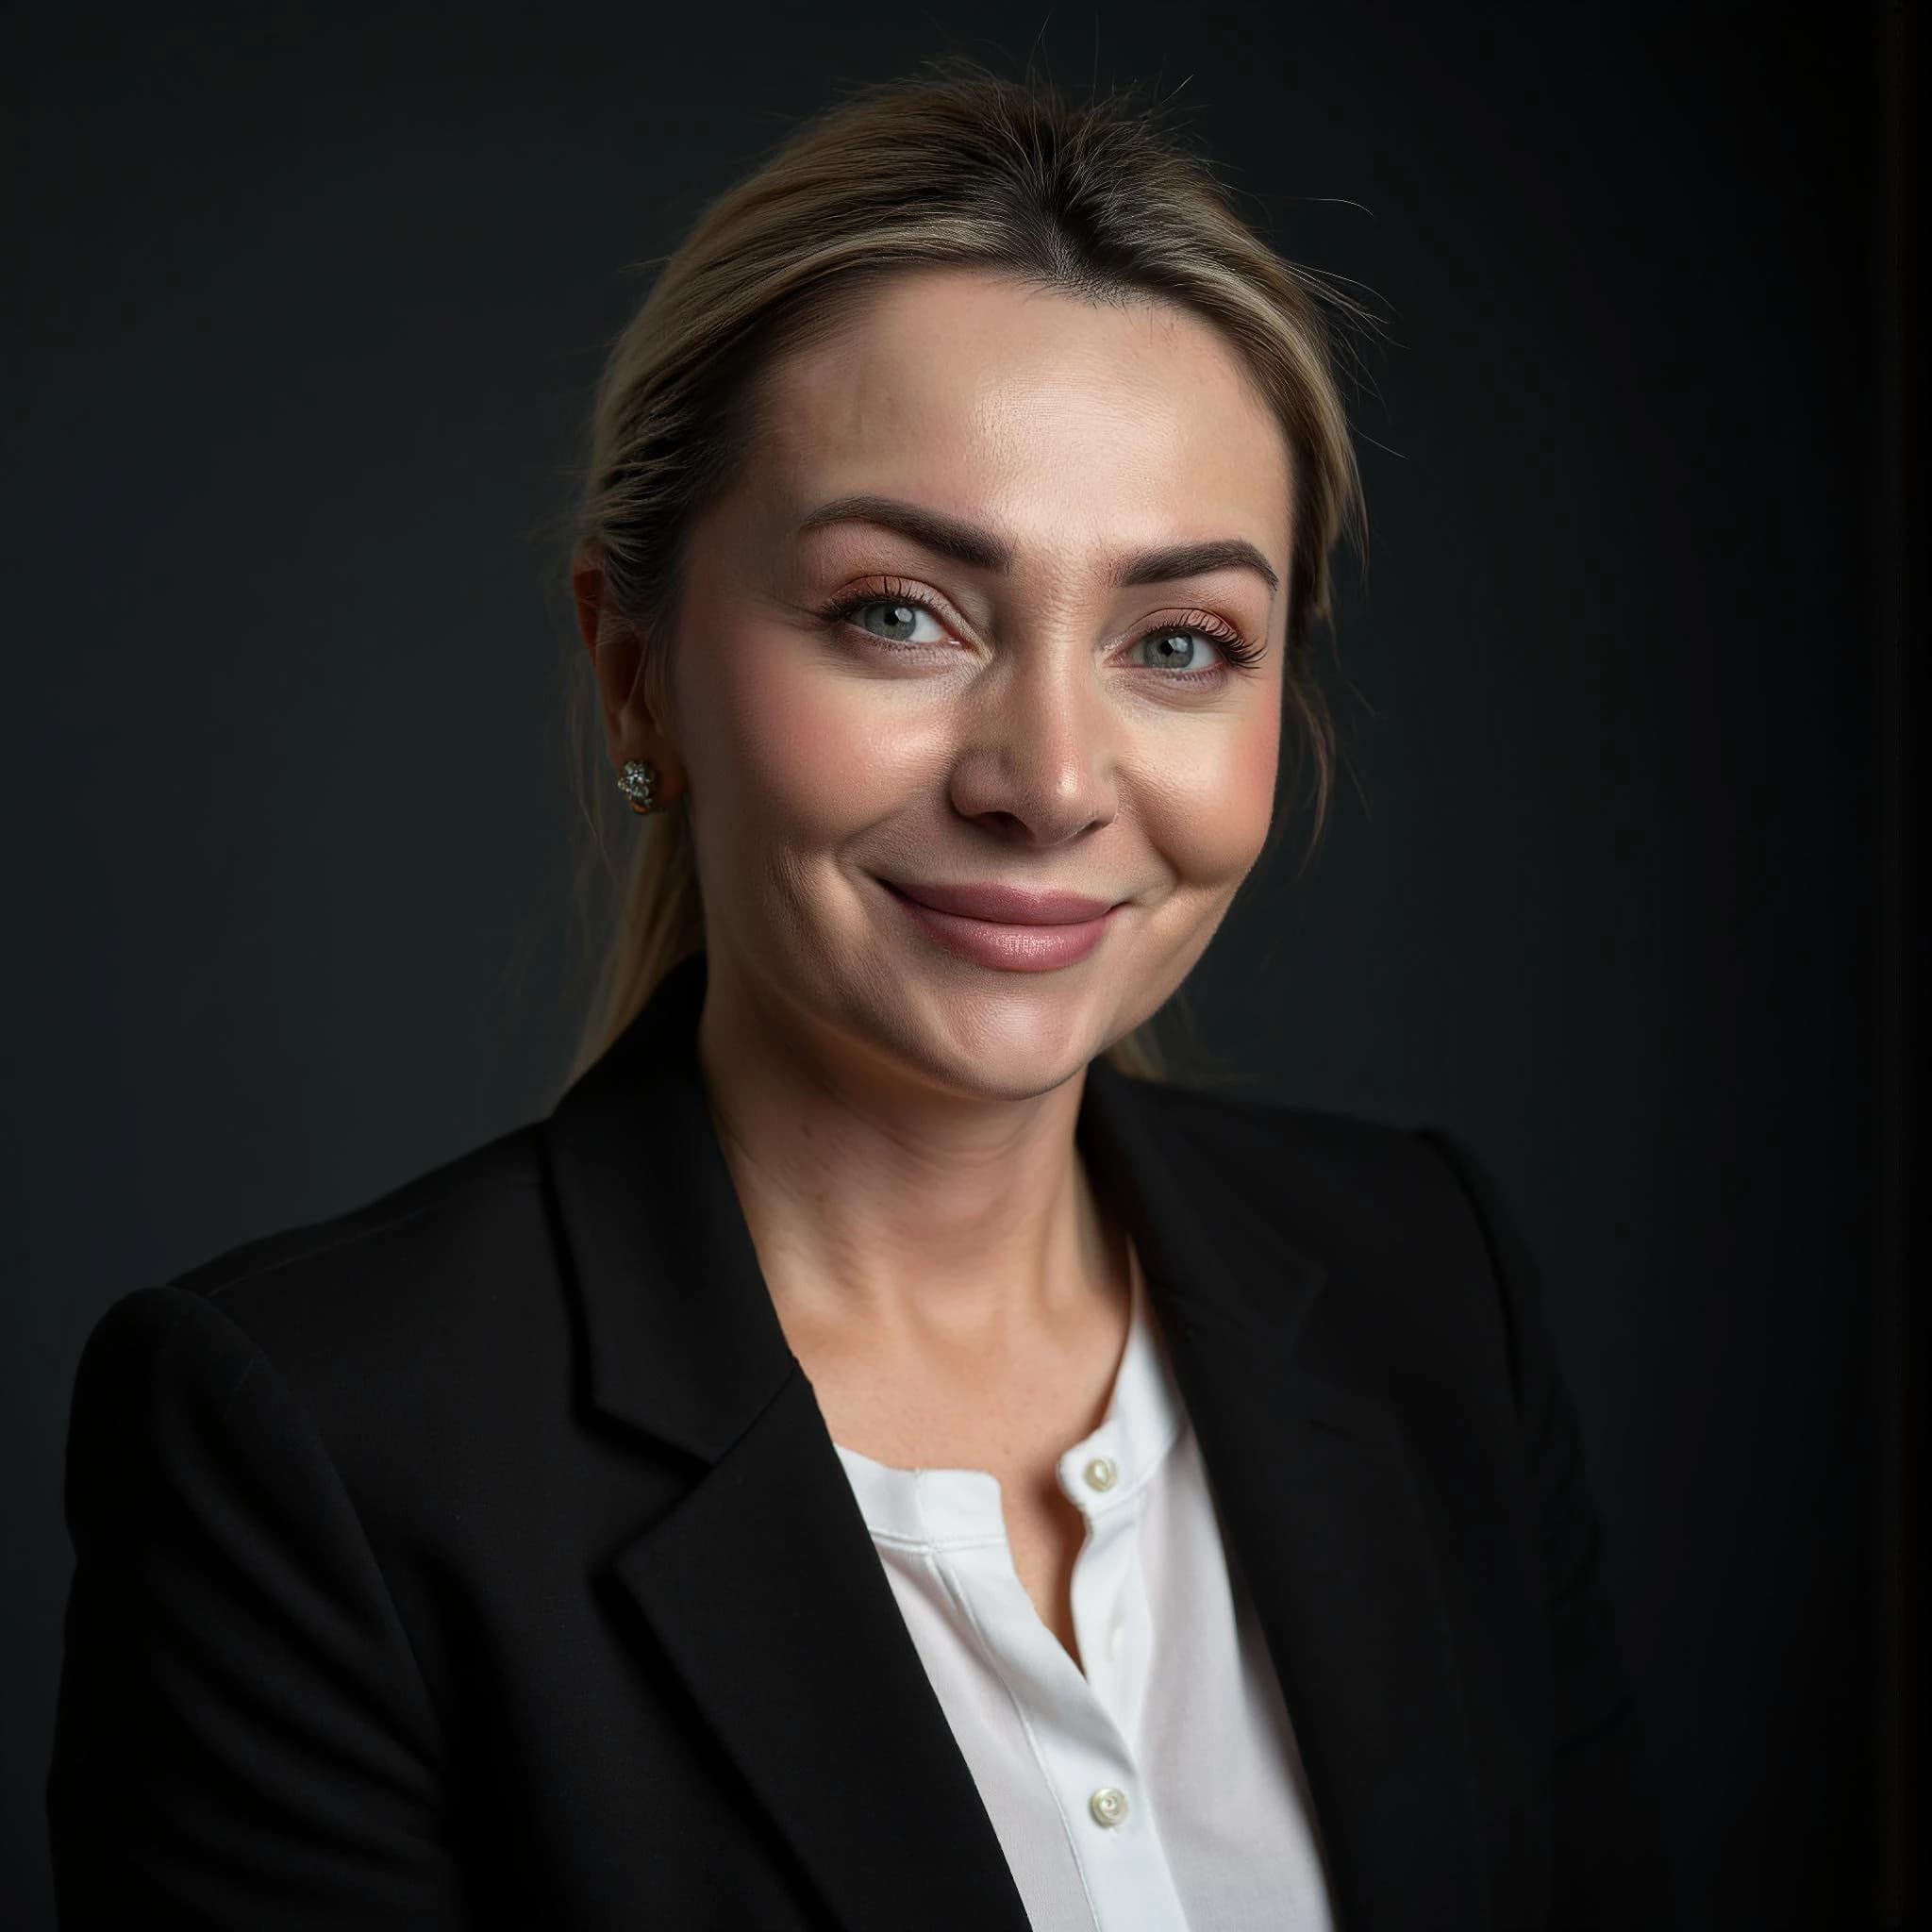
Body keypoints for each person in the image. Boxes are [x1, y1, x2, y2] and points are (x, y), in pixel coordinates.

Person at [45, 58, 1674, 1932]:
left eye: (1179, 642)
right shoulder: (310, 1450)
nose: (1050, 778)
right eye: (900, 610)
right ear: (636, 674)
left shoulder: (1428, 1288)